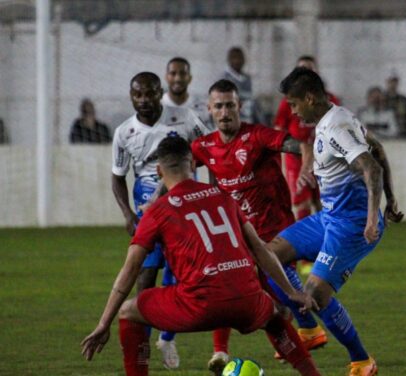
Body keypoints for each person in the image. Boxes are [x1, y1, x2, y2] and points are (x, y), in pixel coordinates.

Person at [82, 136, 322, 376]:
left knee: (128, 311)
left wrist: (104, 324)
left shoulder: (157, 210)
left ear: (158, 171)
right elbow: (261, 249)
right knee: (273, 314)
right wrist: (292, 293)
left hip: (198, 306)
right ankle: (312, 374)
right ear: (193, 165)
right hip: (247, 300)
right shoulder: (223, 196)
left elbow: (131, 268)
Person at [269, 67, 404, 376]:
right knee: (269, 256)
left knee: (315, 293)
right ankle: (308, 330)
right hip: (330, 217)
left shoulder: (335, 127)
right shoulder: (336, 117)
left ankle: (362, 361)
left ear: (310, 98)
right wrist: (392, 200)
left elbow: (372, 167)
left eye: (293, 104)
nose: (291, 111)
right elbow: (378, 148)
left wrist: (373, 217)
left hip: (352, 225)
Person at [191, 79, 328, 374]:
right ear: (209, 110)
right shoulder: (204, 146)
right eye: (219, 106)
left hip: (276, 234)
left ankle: (310, 332)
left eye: (230, 105)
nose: (225, 111)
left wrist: (307, 165)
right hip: (241, 237)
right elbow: (178, 171)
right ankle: (222, 352)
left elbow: (300, 144)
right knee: (233, 291)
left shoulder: (257, 136)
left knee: (279, 301)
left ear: (239, 106)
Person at [111, 72, 211, 369]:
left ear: (160, 93)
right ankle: (143, 346)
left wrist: (212, 188)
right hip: (148, 208)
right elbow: (117, 178)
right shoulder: (124, 132)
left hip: (183, 201)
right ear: (131, 96)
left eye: (149, 94)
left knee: (182, 273)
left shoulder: (184, 117)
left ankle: (167, 338)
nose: (143, 100)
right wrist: (128, 214)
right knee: (145, 278)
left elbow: (208, 150)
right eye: (137, 95)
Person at [274, 55, 341, 223]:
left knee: (322, 200)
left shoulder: (330, 102)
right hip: (296, 160)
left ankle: (324, 234)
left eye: (309, 69)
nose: (295, 111)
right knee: (301, 201)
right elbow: (279, 131)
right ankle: (306, 240)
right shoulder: (287, 102)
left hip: (323, 157)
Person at [162, 57, 212, 126]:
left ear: (190, 78)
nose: (178, 79)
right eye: (173, 73)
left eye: (183, 73)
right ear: (166, 77)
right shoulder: (157, 105)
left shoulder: (204, 108)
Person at [220, 46, 264, 124]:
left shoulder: (247, 78)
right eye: (234, 58)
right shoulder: (224, 78)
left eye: (240, 58)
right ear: (229, 60)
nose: (237, 61)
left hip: (247, 114)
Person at [384, 75, 406, 139]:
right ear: (387, 82)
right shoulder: (382, 99)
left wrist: (404, 117)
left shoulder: (403, 100)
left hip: (401, 134)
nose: (393, 84)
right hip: (385, 135)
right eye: (391, 81)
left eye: (395, 81)